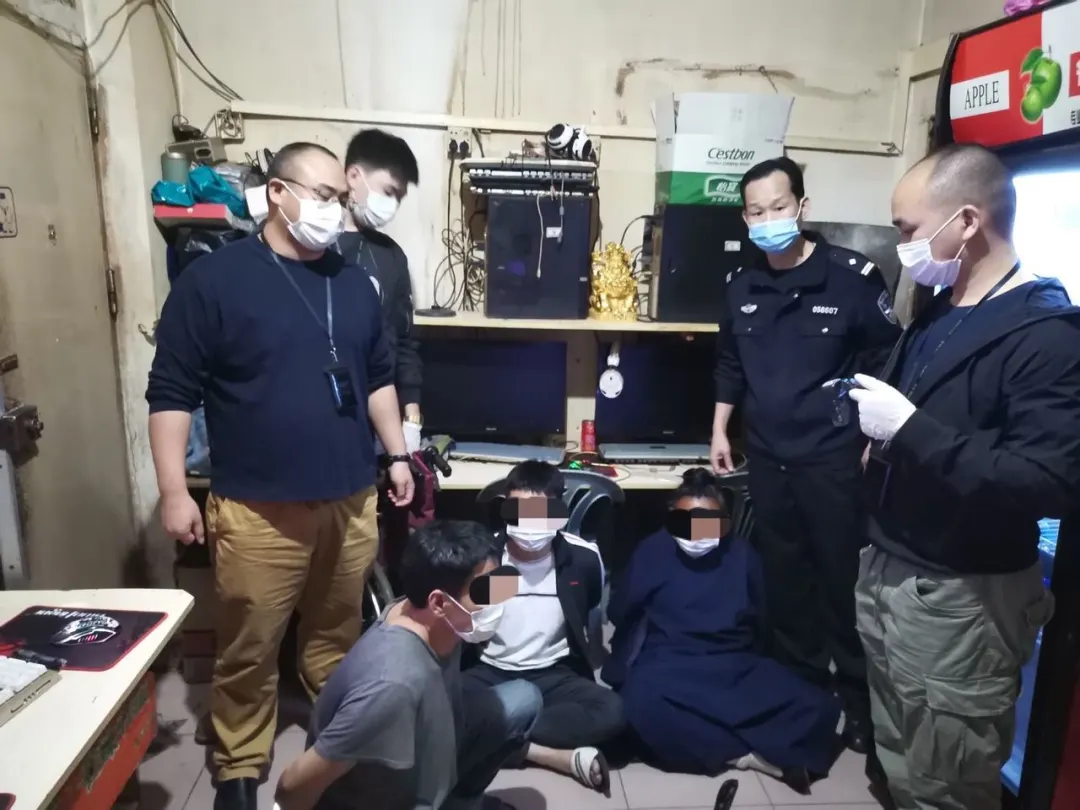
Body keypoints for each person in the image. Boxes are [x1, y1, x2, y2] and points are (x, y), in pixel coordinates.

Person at [146, 141, 415, 810]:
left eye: (340, 200)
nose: (335, 211)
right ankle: (239, 766)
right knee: (250, 647)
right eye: (323, 196)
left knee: (336, 637)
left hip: (350, 501)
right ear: (277, 193)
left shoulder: (354, 284)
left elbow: (379, 378)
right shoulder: (214, 282)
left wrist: (398, 455)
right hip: (258, 510)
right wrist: (175, 491)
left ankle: (337, 745)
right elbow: (171, 392)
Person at [848, 143, 1080, 810]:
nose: (904, 247)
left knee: (947, 783)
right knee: (902, 759)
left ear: (968, 221)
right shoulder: (940, 309)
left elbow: (1046, 481)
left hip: (962, 599)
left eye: (909, 229)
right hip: (890, 570)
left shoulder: (1046, 334)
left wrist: (909, 430)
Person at [711, 156, 902, 754]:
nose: (768, 219)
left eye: (779, 206)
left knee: (841, 577)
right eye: (756, 211)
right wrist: (719, 430)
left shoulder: (851, 278)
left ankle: (857, 694)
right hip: (768, 457)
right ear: (746, 219)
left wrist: (873, 442)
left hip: (834, 458)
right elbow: (730, 364)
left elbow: (885, 364)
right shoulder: (741, 285)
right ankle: (798, 684)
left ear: (802, 207)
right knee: (785, 574)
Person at [602, 469, 841, 794]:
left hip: (733, 664)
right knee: (638, 706)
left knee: (818, 707)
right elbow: (622, 611)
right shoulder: (653, 550)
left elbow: (761, 618)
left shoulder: (742, 554)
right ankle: (748, 755)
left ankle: (721, 741)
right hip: (669, 663)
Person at [275, 520, 541, 810]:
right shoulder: (392, 685)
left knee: (523, 700)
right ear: (438, 602)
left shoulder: (424, 612)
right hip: (383, 800)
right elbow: (291, 786)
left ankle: (458, 802)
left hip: (421, 746)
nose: (497, 601)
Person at [462, 461, 624, 795]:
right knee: (433, 716)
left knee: (614, 712)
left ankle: (498, 737)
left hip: (553, 673)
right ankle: (548, 755)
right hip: (490, 671)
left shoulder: (583, 558)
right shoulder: (482, 558)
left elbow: (589, 607)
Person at [339, 128, 423, 453]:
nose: (392, 205)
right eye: (388, 192)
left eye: (398, 198)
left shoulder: (391, 257)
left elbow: (404, 342)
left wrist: (411, 420)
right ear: (353, 176)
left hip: (376, 423)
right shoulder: (313, 247)